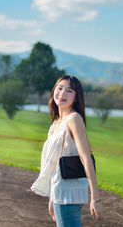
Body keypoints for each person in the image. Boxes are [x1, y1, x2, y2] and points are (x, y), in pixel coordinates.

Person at [31, 75, 102, 226]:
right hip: (59, 193)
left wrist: (95, 198)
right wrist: (52, 197)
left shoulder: (74, 119)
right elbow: (55, 165)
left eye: (69, 91)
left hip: (69, 194)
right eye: (60, 88)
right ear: (53, 91)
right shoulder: (56, 123)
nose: (62, 94)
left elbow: (86, 158)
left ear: (76, 98)